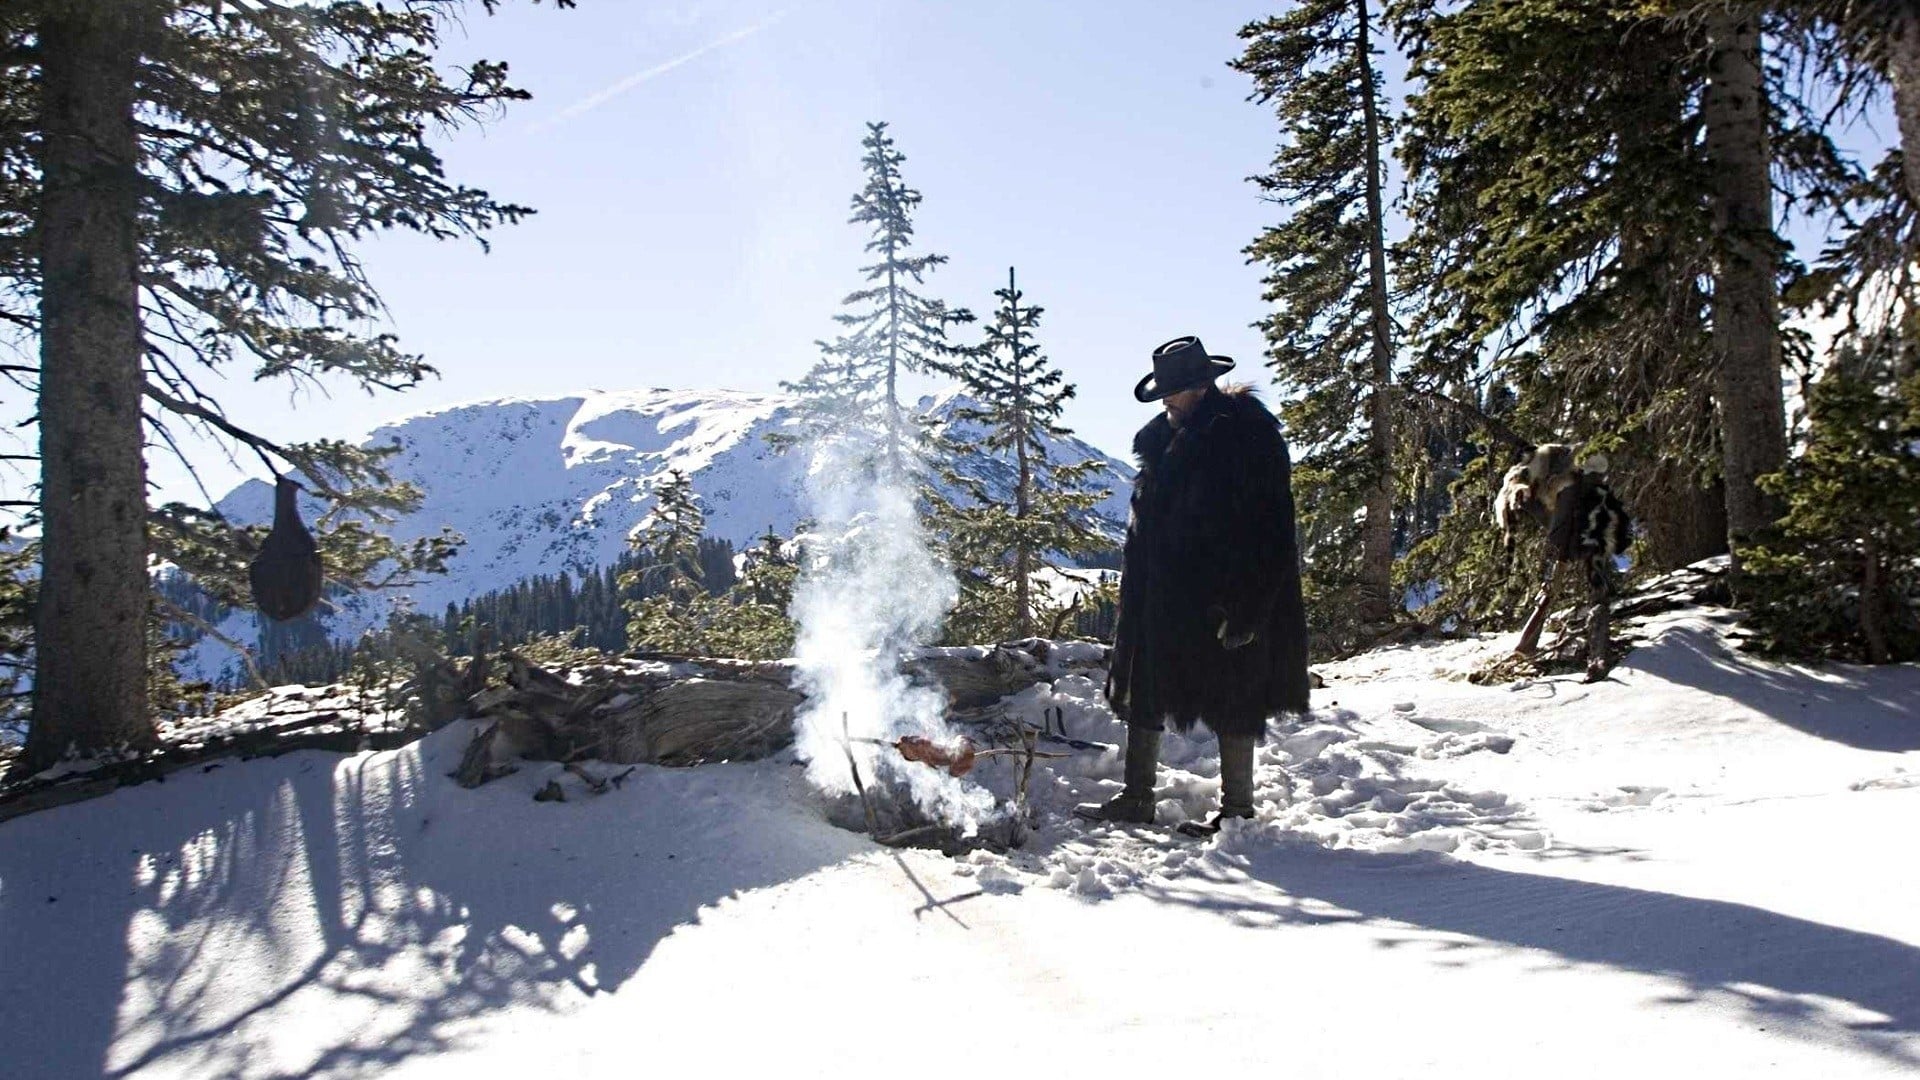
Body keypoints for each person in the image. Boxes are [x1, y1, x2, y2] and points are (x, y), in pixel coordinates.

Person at [1078, 335, 1311, 835]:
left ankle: (1237, 810)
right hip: (1161, 592)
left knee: (1234, 691)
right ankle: (1136, 795)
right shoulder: (1162, 440)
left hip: (1223, 591)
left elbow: (1272, 528)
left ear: (1202, 386)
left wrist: (1247, 605)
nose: (1166, 399)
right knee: (1145, 680)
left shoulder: (1247, 436)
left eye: (1175, 389)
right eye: (1163, 389)